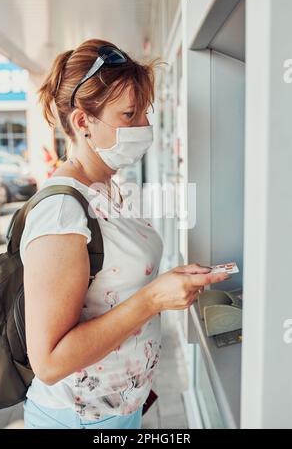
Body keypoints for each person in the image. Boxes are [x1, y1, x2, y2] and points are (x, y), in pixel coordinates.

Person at [21, 39, 231, 429]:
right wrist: (154, 298)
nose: (145, 127)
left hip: (117, 413)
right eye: (130, 114)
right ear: (83, 122)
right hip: (78, 421)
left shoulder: (108, 187)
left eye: (144, 113)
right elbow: (49, 363)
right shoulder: (61, 212)